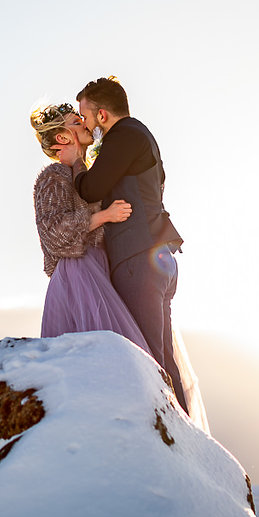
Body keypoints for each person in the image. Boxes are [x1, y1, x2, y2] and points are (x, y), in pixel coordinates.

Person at [55, 77, 189, 414]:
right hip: (158, 256)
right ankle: (185, 438)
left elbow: (91, 188)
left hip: (138, 259)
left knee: (149, 358)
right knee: (162, 357)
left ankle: (169, 439)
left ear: (102, 115)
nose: (82, 122)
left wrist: (75, 162)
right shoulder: (141, 136)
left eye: (84, 115)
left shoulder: (124, 135)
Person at [30, 103, 151, 352]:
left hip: (100, 266)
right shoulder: (53, 175)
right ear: (63, 137)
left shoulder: (86, 173)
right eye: (76, 122)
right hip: (78, 273)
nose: (85, 124)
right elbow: (54, 233)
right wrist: (104, 216)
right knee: (108, 353)